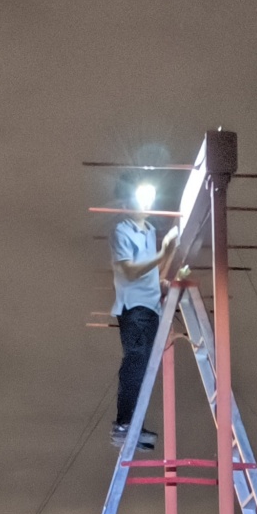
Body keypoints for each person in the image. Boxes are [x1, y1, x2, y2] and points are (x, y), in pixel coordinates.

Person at [110, 181, 177, 451]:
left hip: (151, 308)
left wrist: (158, 282)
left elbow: (145, 271)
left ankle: (133, 424)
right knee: (136, 363)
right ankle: (124, 425)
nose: (145, 205)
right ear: (126, 206)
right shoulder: (121, 230)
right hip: (134, 308)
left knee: (145, 367)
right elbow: (128, 271)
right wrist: (163, 254)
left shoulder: (149, 231)